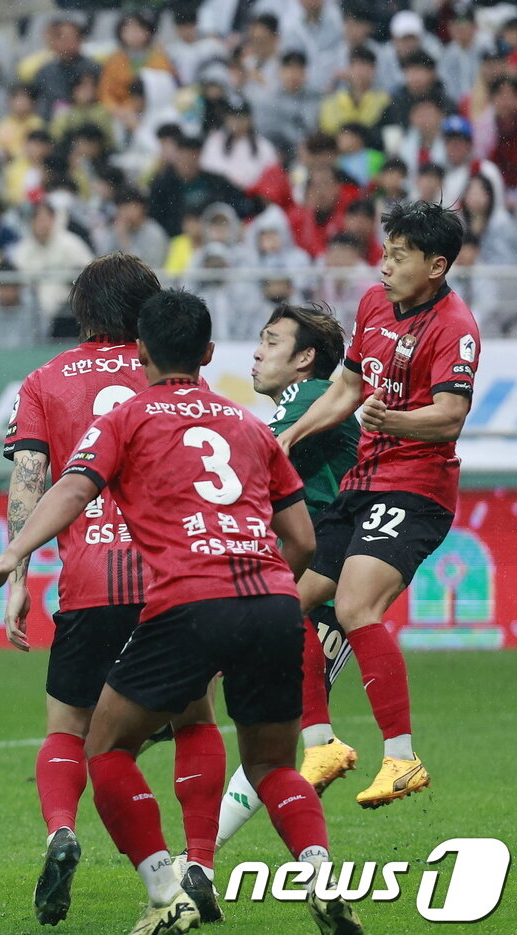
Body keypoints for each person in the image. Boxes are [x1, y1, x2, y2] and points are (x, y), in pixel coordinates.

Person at [0, 289, 364, 935]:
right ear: (210, 353)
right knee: (270, 762)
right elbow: (300, 540)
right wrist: (261, 585)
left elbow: (73, 485)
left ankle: (168, 889)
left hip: (188, 600)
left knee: (104, 745)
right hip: (270, 600)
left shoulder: (128, 417)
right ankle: (323, 876)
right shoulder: (245, 424)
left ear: (142, 352)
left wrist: (11, 553)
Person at [1, 253, 228, 925]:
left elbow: (30, 480)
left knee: (70, 728)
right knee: (195, 718)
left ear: (81, 311)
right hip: (175, 574)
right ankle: (200, 861)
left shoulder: (44, 379)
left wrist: (18, 575)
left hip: (90, 578)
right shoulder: (174, 373)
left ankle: (62, 829)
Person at [277, 201, 479, 807]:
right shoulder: (372, 304)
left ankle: (401, 757)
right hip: (363, 483)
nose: (384, 264)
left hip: (416, 488)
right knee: (290, 605)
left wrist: (397, 420)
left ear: (436, 266)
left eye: (399, 255)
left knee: (357, 604)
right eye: (385, 252)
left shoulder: (455, 327)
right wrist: (290, 436)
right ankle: (322, 744)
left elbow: (449, 418)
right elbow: (347, 387)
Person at [214, 303, 359, 852]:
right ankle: (199, 858)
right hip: (297, 580)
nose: (257, 351)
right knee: (273, 730)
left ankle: (195, 858)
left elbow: (239, 460)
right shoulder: (296, 408)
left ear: (305, 359)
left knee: (275, 730)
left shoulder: (310, 396)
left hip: (321, 585)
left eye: (272, 341)